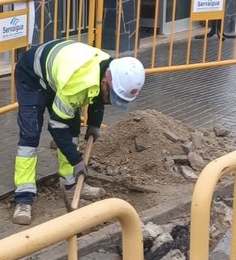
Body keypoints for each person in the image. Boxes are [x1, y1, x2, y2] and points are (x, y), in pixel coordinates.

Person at [11, 39, 145, 225]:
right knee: (30, 135)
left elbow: (99, 97)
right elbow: (56, 127)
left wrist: (94, 124)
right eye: (112, 96)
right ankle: (24, 197)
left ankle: (70, 182)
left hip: (59, 77)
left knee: (73, 128)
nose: (110, 101)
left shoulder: (109, 67)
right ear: (106, 81)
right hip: (31, 75)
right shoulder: (78, 85)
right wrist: (77, 160)